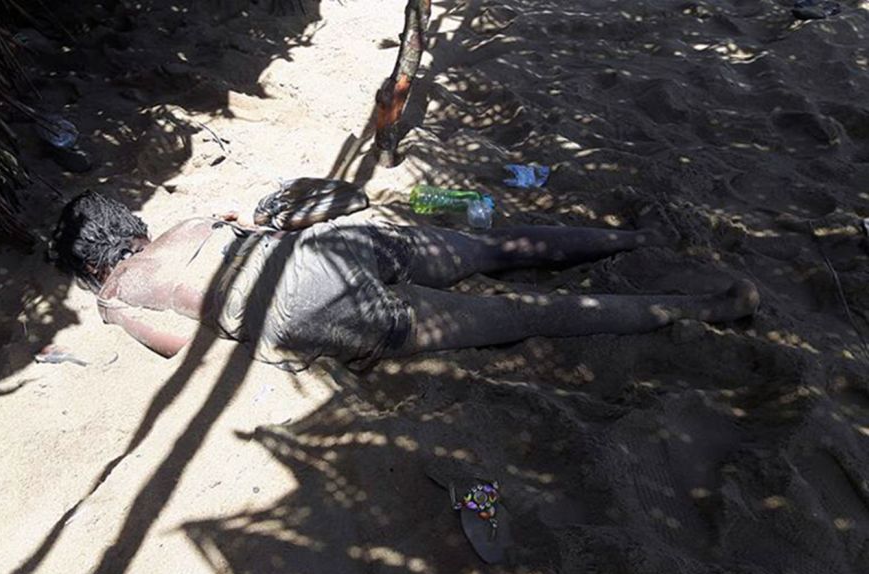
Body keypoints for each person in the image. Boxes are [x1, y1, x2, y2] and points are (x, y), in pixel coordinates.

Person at [50, 191, 759, 371]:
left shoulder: (117, 299)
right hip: (331, 249)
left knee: (520, 316)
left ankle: (705, 306)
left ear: (89, 265)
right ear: (132, 222)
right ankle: (636, 235)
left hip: (307, 302)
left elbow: (188, 350)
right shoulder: (187, 224)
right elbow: (242, 215)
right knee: (493, 248)